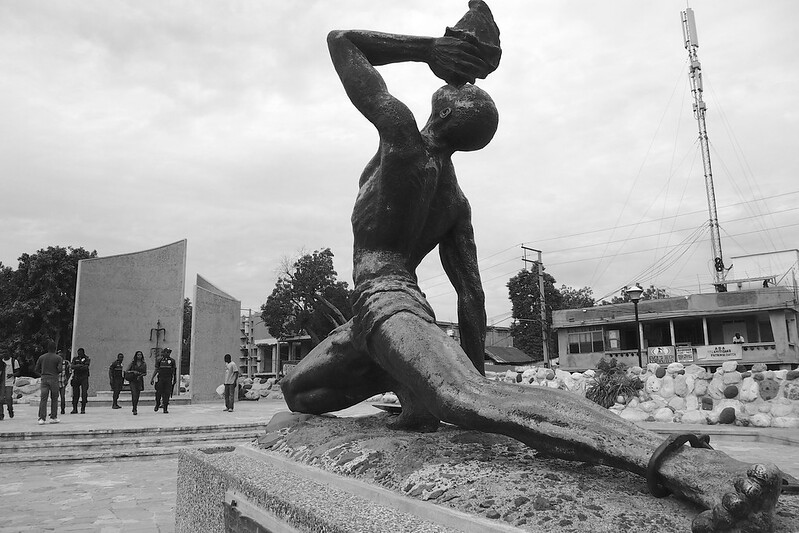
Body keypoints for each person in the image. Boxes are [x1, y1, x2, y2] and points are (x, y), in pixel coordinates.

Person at [280, 4, 785, 531]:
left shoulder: (403, 140)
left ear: (448, 116)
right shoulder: (455, 203)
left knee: (467, 397)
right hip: (372, 321)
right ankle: (417, 384)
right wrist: (442, 374)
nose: (454, 86)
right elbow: (470, 301)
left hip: (391, 304)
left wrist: (428, 48)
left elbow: (342, 42)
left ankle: (695, 467)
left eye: (458, 93)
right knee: (301, 393)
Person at [35, 340, 63, 425]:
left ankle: (41, 418)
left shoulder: (41, 357)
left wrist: (42, 374)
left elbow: (36, 369)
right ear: (55, 349)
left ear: (47, 348)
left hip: (44, 379)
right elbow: (60, 369)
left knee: (43, 399)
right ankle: (53, 417)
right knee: (54, 398)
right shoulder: (58, 358)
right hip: (54, 379)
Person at [151, 349, 176, 413]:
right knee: (158, 392)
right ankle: (157, 403)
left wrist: (174, 379)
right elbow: (156, 369)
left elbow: (174, 371)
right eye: (166, 352)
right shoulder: (159, 360)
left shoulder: (172, 361)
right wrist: (152, 378)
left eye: (169, 352)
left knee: (167, 393)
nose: (167, 354)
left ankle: (165, 408)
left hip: (168, 379)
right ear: (163, 353)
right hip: (161, 378)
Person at [126, 351, 147, 415]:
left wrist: (140, 375)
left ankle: (135, 406)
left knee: (137, 395)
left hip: (139, 380)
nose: (139, 356)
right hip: (133, 380)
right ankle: (134, 408)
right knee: (134, 394)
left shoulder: (143, 364)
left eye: (140, 355)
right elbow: (127, 371)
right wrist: (133, 372)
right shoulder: (132, 363)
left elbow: (145, 373)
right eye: (138, 355)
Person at [70, 348, 90, 414]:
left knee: (84, 393)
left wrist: (77, 366)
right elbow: (72, 366)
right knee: (75, 394)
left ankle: (83, 408)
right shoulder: (75, 358)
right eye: (78, 353)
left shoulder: (87, 358)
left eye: (80, 353)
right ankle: (74, 408)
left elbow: (86, 367)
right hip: (76, 377)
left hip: (84, 377)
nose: (79, 354)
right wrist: (80, 366)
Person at [1, 349, 19, 420]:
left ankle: (10, 409)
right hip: (1, 382)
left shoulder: (14, 361)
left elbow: (18, 372)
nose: (4, 354)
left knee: (8, 397)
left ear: (9, 353)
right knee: (1, 399)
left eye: (6, 352)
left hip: (9, 382)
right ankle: (1, 414)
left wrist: (12, 375)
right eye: (3, 352)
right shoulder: (1, 361)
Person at [57, 349, 71, 415]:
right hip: (56, 381)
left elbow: (69, 372)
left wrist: (67, 379)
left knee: (62, 396)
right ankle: (53, 410)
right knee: (54, 396)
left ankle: (63, 409)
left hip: (63, 381)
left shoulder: (66, 363)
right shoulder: (55, 362)